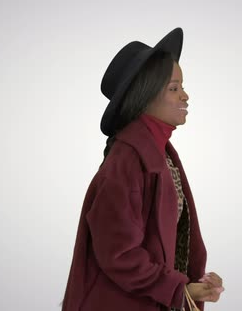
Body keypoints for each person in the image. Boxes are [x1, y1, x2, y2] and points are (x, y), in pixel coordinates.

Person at [61, 28, 225, 310]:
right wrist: (180, 288)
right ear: (145, 96)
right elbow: (119, 254)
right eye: (174, 88)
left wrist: (195, 283)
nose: (185, 96)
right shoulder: (127, 161)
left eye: (182, 87)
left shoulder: (161, 154)